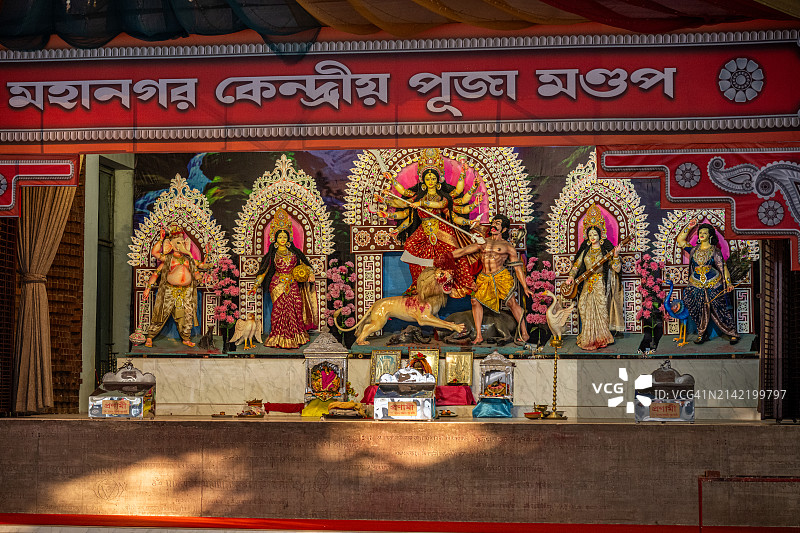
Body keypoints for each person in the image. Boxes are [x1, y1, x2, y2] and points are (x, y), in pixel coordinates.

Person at [376, 148, 481, 298]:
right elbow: (403, 197)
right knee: (410, 247)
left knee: (455, 255)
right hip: (424, 230)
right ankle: (421, 285)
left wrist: (463, 172)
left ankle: (462, 283)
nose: (431, 181)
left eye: (433, 178)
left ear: (438, 180)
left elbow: (446, 201)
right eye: (428, 178)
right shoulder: (416, 197)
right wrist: (390, 186)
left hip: (442, 230)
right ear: (423, 180)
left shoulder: (442, 197)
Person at [448, 214, 533, 344]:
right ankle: (479, 336)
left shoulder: (507, 246)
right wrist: (445, 257)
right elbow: (463, 251)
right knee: (475, 301)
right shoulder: (483, 242)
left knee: (512, 303)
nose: (493, 225)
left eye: (497, 223)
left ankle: (525, 333)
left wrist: (525, 287)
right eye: (493, 222)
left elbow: (517, 268)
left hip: (501, 276)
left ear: (504, 229)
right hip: (484, 276)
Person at [249, 208, 318, 349]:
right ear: (275, 238)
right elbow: (263, 272)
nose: (282, 239)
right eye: (279, 237)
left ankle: (296, 336)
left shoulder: (295, 252)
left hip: (292, 283)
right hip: (277, 284)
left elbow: (306, 265)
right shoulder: (272, 254)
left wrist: (310, 274)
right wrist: (256, 285)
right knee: (279, 311)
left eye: (284, 237)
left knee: (296, 307)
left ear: (288, 238)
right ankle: (278, 338)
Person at [563, 204, 624, 351]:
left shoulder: (606, 251)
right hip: (587, 283)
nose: (592, 237)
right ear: (587, 236)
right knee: (583, 306)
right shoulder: (585, 251)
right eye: (590, 235)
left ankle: (602, 337)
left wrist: (615, 256)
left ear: (600, 235)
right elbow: (576, 266)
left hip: (600, 284)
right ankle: (587, 337)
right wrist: (571, 277)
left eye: (595, 235)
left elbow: (616, 268)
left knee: (601, 310)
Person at [143, 224, 213, 347]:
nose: (182, 245)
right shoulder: (168, 259)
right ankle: (150, 336)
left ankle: (185, 338)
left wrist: (208, 254)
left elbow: (204, 266)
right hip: (170, 290)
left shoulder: (188, 260)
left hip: (186, 291)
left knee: (186, 315)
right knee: (161, 313)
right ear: (171, 246)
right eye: (178, 243)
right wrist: (148, 288)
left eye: (183, 242)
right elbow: (155, 267)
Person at [677, 219, 739, 344]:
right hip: (695, 285)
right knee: (698, 309)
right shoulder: (694, 250)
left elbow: (723, 267)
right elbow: (680, 241)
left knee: (720, 309)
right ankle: (701, 333)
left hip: (713, 284)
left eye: (705, 233)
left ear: (710, 236)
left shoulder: (715, 251)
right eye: (700, 232)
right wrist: (689, 227)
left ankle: (732, 332)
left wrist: (729, 283)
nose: (702, 234)